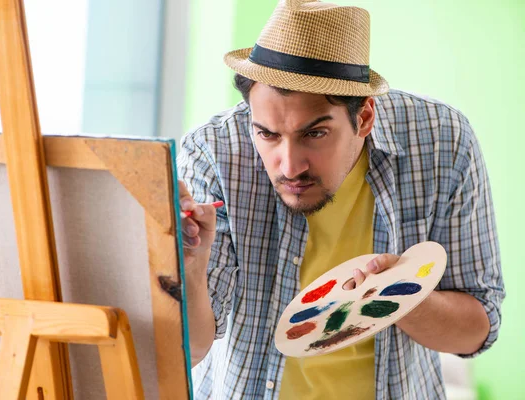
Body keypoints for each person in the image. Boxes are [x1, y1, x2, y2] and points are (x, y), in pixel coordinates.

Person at [176, 1, 505, 398]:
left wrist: (400, 293)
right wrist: (191, 263)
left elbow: (477, 329)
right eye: (267, 134)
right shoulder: (212, 152)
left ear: (364, 117)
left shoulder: (441, 141)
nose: (290, 166)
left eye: (314, 134)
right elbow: (189, 348)